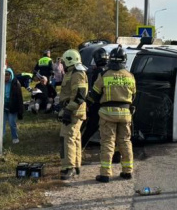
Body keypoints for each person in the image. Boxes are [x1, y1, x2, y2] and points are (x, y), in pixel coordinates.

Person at [89, 47, 136, 182]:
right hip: (125, 114)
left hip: (107, 114)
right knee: (125, 141)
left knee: (108, 143)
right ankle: (127, 171)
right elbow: (133, 96)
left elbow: (95, 94)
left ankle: (105, 174)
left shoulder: (105, 75)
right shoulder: (130, 76)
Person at [57, 49, 88, 180]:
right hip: (73, 110)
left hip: (74, 111)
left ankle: (69, 168)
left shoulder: (77, 73)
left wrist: (68, 110)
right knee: (75, 138)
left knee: (67, 138)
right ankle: (75, 166)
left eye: (63, 62)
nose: (62, 64)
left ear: (70, 60)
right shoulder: (72, 72)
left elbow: (80, 95)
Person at [82, 47, 109, 143]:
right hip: (108, 103)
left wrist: (88, 102)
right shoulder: (109, 71)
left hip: (98, 104)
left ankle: (81, 145)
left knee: (90, 127)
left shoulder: (98, 72)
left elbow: (95, 90)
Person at [3, 68, 24, 144]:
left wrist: (20, 110)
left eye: (8, 74)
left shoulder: (15, 83)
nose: (6, 76)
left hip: (12, 106)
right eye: (4, 74)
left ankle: (15, 137)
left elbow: (19, 97)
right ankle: (0, 139)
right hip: (3, 106)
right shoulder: (0, 83)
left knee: (12, 123)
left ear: (11, 75)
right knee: (1, 124)